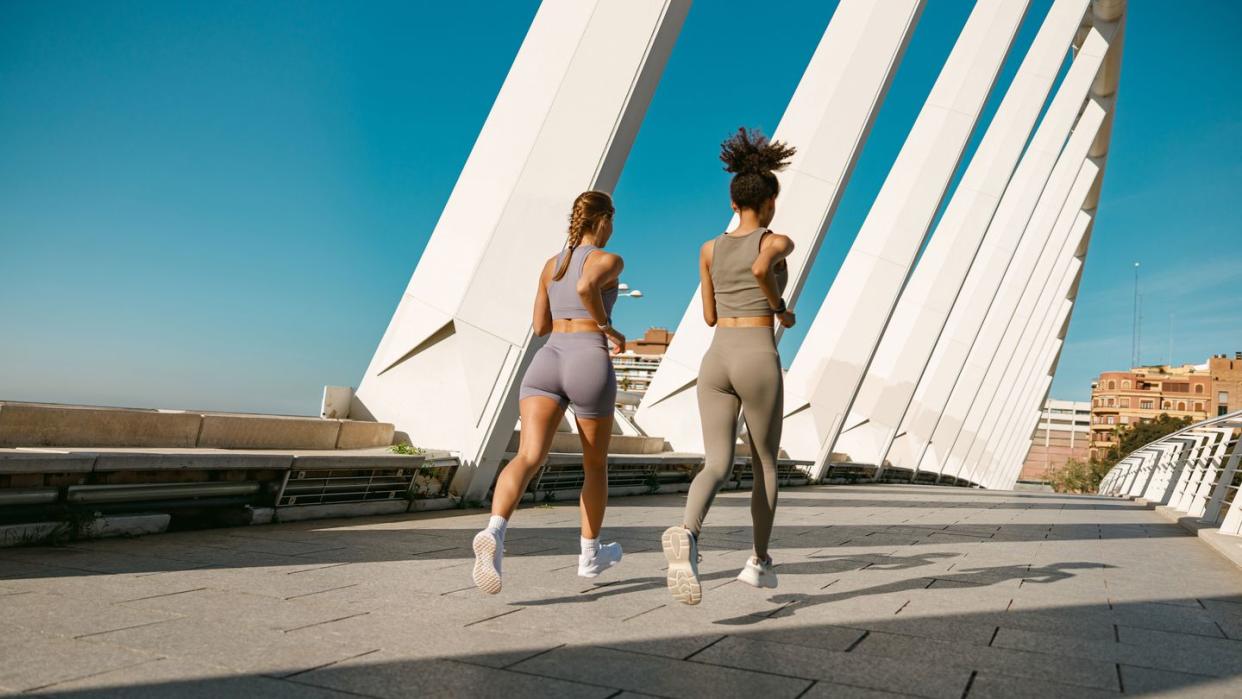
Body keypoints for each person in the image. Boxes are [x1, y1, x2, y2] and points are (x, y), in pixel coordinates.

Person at [662, 128, 797, 605]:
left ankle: (688, 534)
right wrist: (779, 307)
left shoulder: (709, 249)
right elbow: (762, 269)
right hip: (757, 353)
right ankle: (759, 561)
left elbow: (709, 314)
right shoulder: (777, 239)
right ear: (768, 201)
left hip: (716, 358)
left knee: (716, 463)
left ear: (734, 200)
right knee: (764, 461)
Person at [471, 190, 627, 594]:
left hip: (548, 359)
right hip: (587, 358)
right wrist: (606, 325)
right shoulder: (610, 260)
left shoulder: (550, 265)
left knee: (528, 456)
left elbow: (539, 325)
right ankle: (590, 555)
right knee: (595, 465)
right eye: (613, 221)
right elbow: (586, 288)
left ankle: (495, 530)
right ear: (604, 220)